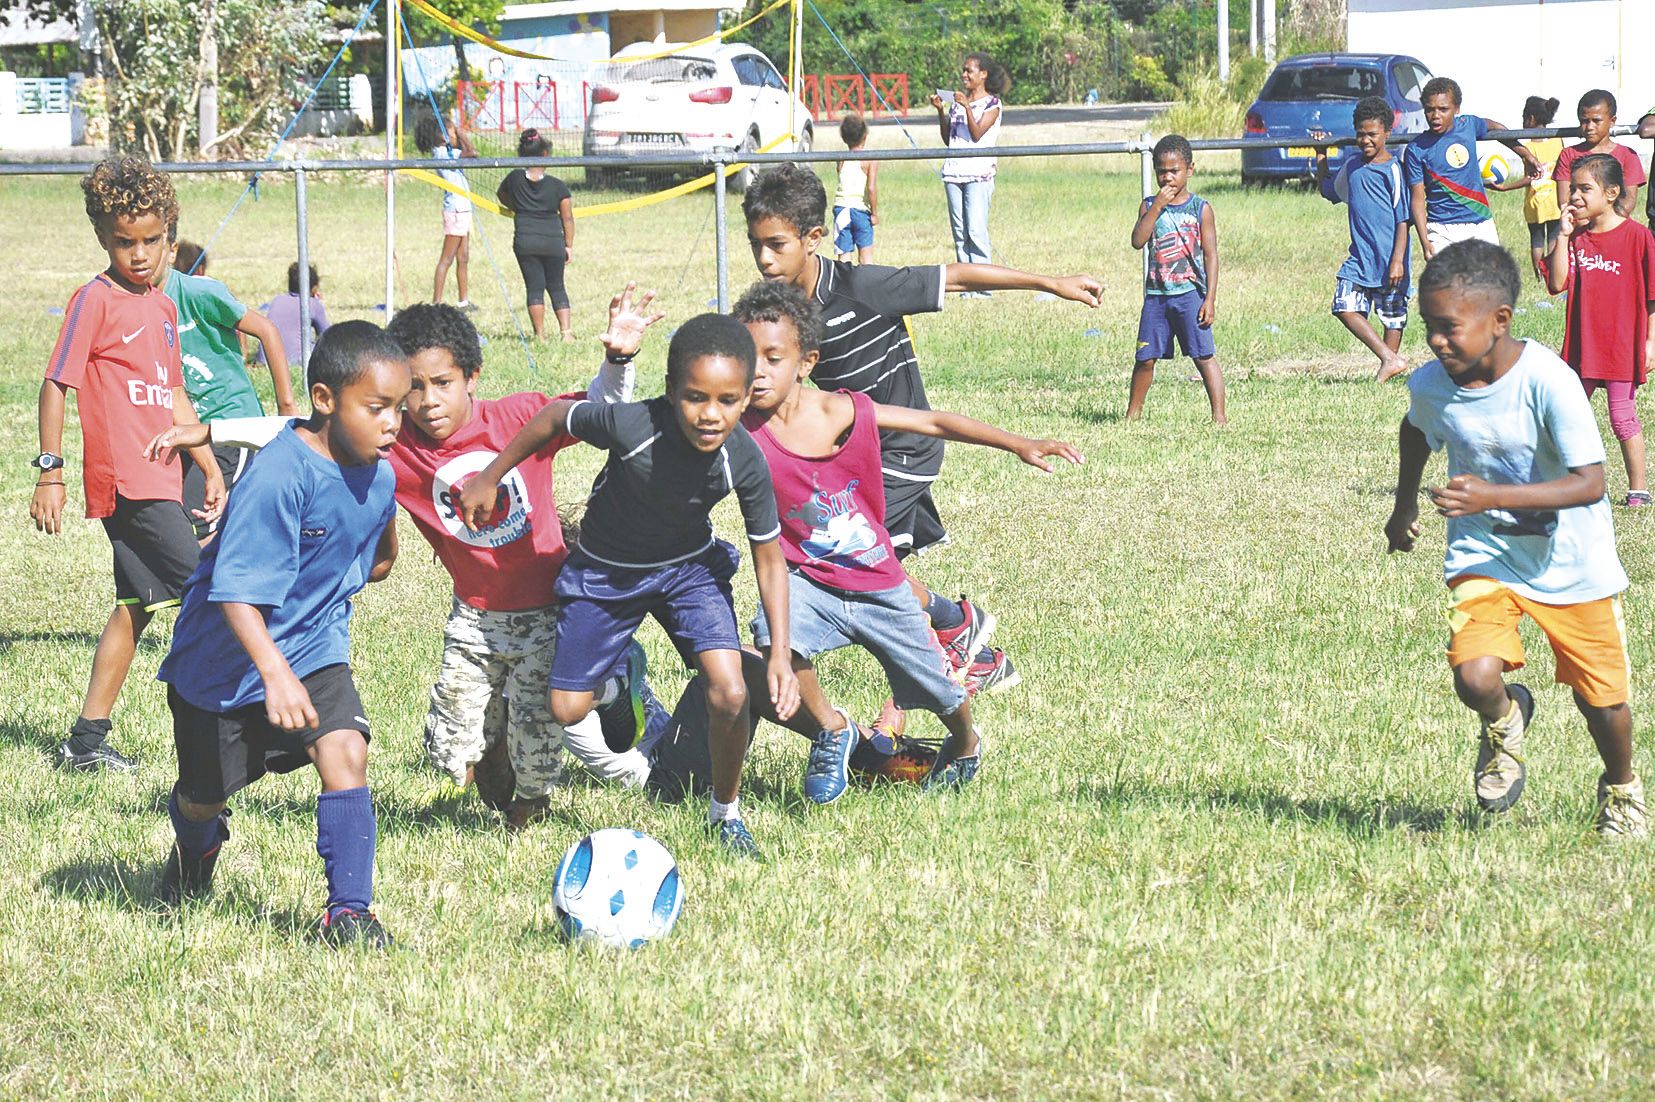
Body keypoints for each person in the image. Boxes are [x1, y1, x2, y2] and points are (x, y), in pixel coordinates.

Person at [741, 163, 1101, 739]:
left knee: (864, 568)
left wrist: (1048, 282)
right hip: (843, 459)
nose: (764, 259)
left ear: (813, 239)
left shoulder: (862, 288)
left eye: (775, 245)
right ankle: (959, 626)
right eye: (756, 245)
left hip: (901, 450)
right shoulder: (770, 319)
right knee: (858, 569)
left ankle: (901, 709)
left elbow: (957, 276)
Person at [455, 313, 799, 859]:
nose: (711, 415)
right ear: (669, 391)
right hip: (604, 575)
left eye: (728, 401)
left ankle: (725, 814)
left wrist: (779, 652)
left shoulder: (745, 459)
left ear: (745, 397)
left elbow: (770, 558)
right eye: (695, 398)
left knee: (730, 691)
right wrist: (490, 475)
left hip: (688, 572)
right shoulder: (633, 426)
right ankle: (620, 687)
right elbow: (552, 418)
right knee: (567, 709)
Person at [734, 280, 1083, 795]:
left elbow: (934, 422)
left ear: (806, 363)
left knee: (938, 692)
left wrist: (1018, 443)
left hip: (879, 582)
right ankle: (832, 730)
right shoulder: (738, 423)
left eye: (773, 357)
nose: (758, 370)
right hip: (808, 579)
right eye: (748, 357)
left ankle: (965, 742)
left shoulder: (838, 411)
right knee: (771, 631)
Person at [150, 321, 408, 944]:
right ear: (324, 399)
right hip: (225, 664)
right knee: (202, 799)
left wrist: (368, 557)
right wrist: (274, 673)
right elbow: (233, 592)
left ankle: (349, 912)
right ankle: (196, 850)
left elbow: (377, 555)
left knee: (346, 752)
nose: (393, 422)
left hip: (314, 648)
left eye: (398, 408)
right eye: (377, 408)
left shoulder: (381, 473)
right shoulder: (278, 475)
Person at [1385, 240, 1644, 837]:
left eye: (1449, 327)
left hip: (1573, 564)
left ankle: (1622, 790)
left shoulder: (1550, 381)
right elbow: (1416, 431)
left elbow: (1590, 484)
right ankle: (1505, 722)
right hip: (1486, 554)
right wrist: (1402, 508)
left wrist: (1490, 496)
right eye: (1429, 328)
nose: (1436, 341)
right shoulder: (1432, 385)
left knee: (1601, 702)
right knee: (1474, 675)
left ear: (1500, 321)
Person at [27, 155, 223, 773]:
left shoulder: (162, 309)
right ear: (102, 237)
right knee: (216, 592)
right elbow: (56, 383)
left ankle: (85, 742)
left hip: (168, 476)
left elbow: (173, 394)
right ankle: (238, 724)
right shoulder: (94, 300)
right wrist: (51, 471)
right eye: (123, 242)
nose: (138, 254)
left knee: (134, 606)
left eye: (150, 241)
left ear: (170, 233)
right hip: (129, 483)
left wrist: (208, 464)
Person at [152, 226, 298, 541]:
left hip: (232, 423)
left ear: (172, 250)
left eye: (152, 243)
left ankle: (212, 587)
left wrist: (286, 407)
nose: (141, 256)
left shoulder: (198, 293)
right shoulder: (138, 306)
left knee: (197, 519)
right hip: (190, 431)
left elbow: (267, 330)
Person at [1546, 155, 1655, 507]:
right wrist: (1562, 236)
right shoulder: (1575, 238)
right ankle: (1566, 484)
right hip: (1582, 346)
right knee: (1565, 415)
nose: (1575, 196)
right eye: (1573, 188)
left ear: (1611, 193)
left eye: (1585, 189)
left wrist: (1651, 342)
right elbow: (1557, 281)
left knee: (1622, 418)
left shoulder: (1638, 237)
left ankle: (1638, 488)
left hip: (1622, 346)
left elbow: (1653, 297)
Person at [1127, 134, 1226, 423]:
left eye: (1174, 171)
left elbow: (1211, 255)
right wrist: (1157, 206)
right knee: (1145, 358)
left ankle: (1219, 417)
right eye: (1161, 171)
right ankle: (1132, 416)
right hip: (1157, 296)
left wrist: (1209, 298)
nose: (1167, 177)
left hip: (1190, 295)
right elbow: (1137, 240)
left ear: (1190, 170)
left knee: (1203, 355)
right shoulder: (1149, 205)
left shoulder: (1200, 209)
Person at [1315, 97, 1411, 383]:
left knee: (1392, 316)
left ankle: (1388, 368)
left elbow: (1403, 219)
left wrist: (1397, 260)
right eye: (1360, 133)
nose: (1365, 140)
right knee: (1343, 306)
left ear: (1387, 133)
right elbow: (1329, 191)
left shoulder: (1393, 170)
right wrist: (1321, 154)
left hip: (1390, 258)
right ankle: (1388, 358)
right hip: (1360, 257)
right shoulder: (1352, 165)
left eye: (1372, 134)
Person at [1403, 76, 1541, 259]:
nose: (1436, 116)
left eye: (1443, 109)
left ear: (1457, 109)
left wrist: (1525, 155)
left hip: (1480, 222)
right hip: (1441, 228)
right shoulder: (1416, 150)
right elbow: (1418, 199)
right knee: (1447, 286)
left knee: (1491, 283)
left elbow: (1496, 128)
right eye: (1430, 110)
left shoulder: (1468, 125)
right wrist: (1425, 241)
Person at [929, 52, 1007, 281]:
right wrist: (941, 111)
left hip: (978, 175)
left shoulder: (992, 104)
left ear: (983, 75)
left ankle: (984, 285)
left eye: (969, 70)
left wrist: (966, 107)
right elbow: (949, 138)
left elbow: (977, 133)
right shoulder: (957, 103)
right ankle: (966, 285)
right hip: (954, 173)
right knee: (960, 233)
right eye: (963, 70)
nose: (964, 74)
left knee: (975, 230)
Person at [496, 129, 575, 341]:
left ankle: (540, 336)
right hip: (553, 241)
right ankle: (566, 333)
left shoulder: (513, 179)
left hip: (525, 240)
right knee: (557, 286)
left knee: (534, 288)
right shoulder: (559, 186)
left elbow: (501, 195)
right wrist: (568, 245)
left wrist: (518, 206)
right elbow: (567, 219)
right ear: (546, 155)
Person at [1484, 96, 1563, 284]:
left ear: (1532, 118)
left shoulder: (1527, 148)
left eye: (1524, 118)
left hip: (1536, 202)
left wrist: (1505, 188)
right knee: (1553, 237)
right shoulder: (1558, 140)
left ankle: (1540, 278)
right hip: (1555, 201)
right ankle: (1552, 274)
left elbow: (1530, 178)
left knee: (1536, 240)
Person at [415, 113, 478, 310]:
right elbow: (472, 152)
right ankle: (436, 303)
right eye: (451, 130)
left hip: (463, 210)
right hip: (456, 211)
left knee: (463, 257)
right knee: (447, 259)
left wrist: (456, 134)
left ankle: (463, 301)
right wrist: (462, 134)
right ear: (441, 135)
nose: (454, 133)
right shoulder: (443, 153)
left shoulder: (447, 152)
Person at [1551, 90, 1645, 220]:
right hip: (1578, 229)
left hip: (1616, 229)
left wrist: (1604, 226)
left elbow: (1628, 201)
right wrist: (1585, 226)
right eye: (1584, 121)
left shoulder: (1628, 155)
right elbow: (1564, 201)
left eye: (1596, 121)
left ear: (1612, 121)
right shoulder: (1568, 155)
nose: (1590, 126)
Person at [261, 263, 330, 375]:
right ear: (314, 288)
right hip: (297, 361)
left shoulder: (277, 300)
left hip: (267, 361)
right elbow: (327, 336)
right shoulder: (312, 304)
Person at [832, 112, 877, 264]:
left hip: (841, 207)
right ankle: (866, 285)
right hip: (860, 209)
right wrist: (875, 213)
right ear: (865, 135)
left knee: (843, 255)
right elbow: (871, 188)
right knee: (866, 256)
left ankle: (844, 284)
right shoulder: (870, 159)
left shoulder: (841, 158)